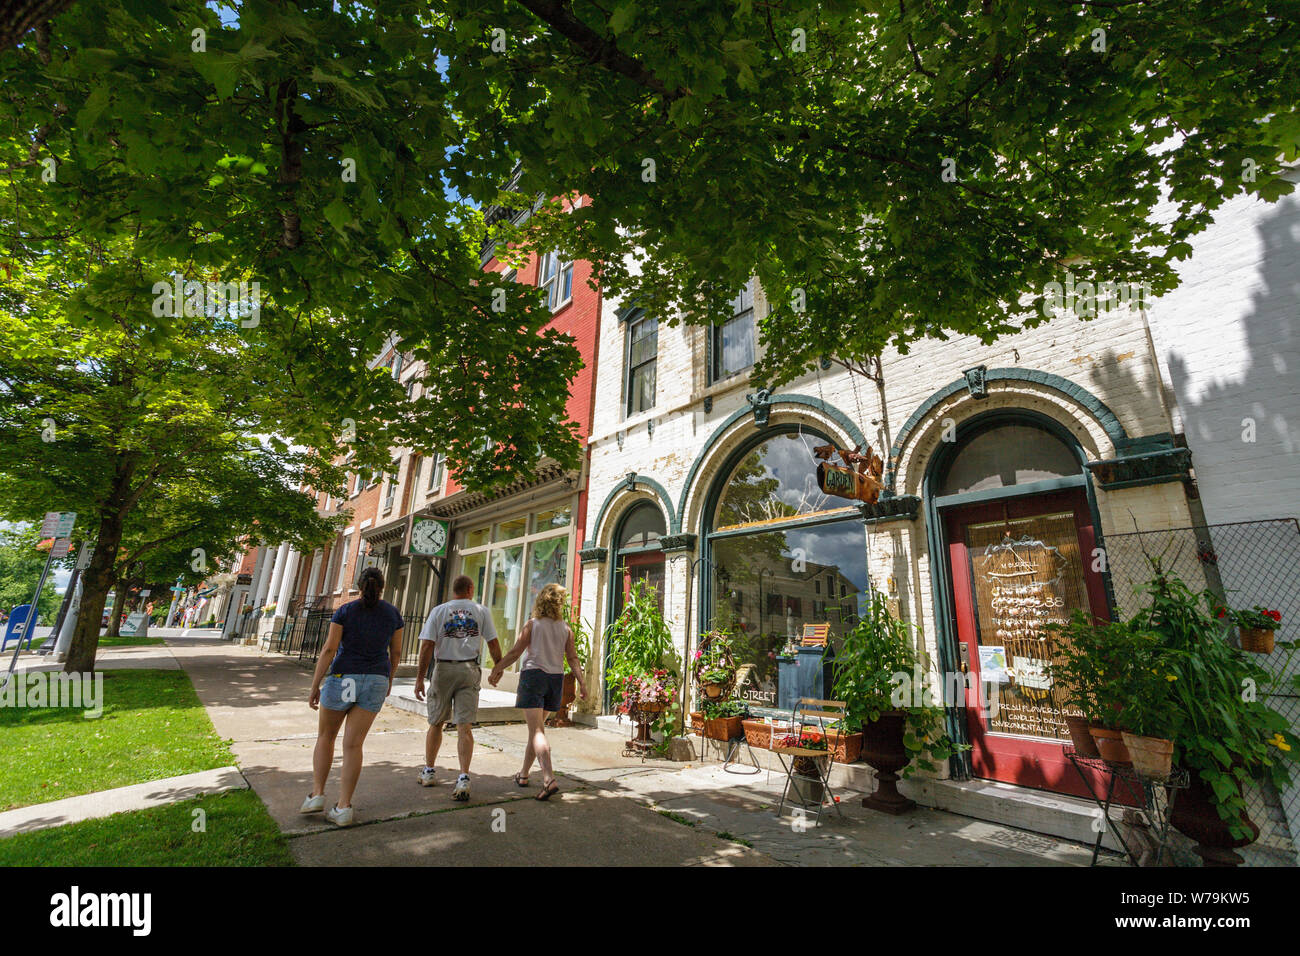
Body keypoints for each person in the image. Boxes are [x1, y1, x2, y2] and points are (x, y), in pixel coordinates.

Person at [304, 567, 403, 826]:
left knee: (326, 736)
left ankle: (317, 794)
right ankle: (344, 806)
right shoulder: (393, 614)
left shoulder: (345, 611)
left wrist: (315, 685)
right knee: (353, 745)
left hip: (343, 677)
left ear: (359, 586)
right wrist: (389, 679)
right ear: (383, 587)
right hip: (375, 680)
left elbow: (329, 649)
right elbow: (397, 653)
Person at [489, 583, 586, 801]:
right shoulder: (566, 629)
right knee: (536, 730)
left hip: (534, 677)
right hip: (555, 680)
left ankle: (549, 778)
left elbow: (516, 651)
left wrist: (498, 668)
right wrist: (582, 683)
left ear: (540, 601)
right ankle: (523, 775)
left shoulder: (532, 625)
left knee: (537, 732)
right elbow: (572, 658)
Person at [415, 574, 502, 801]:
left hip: (443, 668)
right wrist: (498, 668)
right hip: (468, 670)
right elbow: (493, 642)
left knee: (436, 722)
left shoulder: (439, 611)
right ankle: (463, 775)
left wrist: (419, 679)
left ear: (454, 590)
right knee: (464, 726)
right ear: (470, 589)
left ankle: (429, 771)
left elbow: (426, 646)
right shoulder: (481, 611)